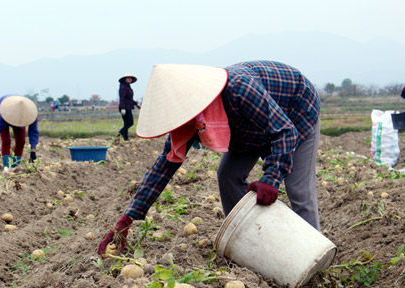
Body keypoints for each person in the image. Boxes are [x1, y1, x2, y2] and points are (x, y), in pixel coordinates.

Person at [98, 61, 321, 255]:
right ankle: (248, 242)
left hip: (295, 112)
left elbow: (285, 131)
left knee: (298, 189)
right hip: (249, 129)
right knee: (227, 174)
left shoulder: (239, 89)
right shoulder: (190, 118)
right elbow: (164, 167)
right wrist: (126, 220)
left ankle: (312, 256)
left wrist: (271, 178)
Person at [0, 95, 39, 169]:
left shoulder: (31, 114)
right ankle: (7, 167)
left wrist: (33, 151)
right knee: (6, 141)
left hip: (21, 117)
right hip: (5, 115)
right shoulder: (2, 114)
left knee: (21, 141)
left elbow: (33, 132)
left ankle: (15, 166)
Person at [117, 73, 140, 141]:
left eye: (130, 78)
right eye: (128, 78)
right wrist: (123, 108)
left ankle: (125, 137)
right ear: (124, 79)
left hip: (128, 107)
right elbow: (122, 98)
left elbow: (129, 99)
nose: (129, 79)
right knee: (129, 123)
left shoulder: (128, 87)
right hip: (124, 107)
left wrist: (136, 104)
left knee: (128, 123)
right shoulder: (123, 87)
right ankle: (120, 135)